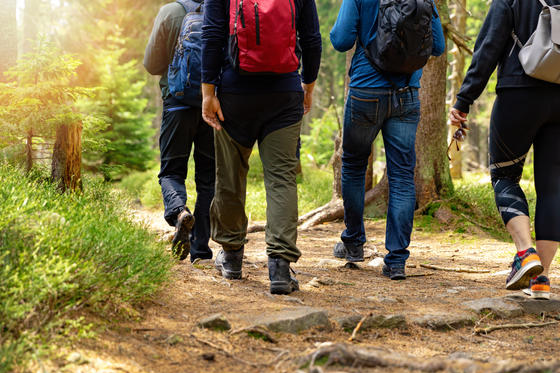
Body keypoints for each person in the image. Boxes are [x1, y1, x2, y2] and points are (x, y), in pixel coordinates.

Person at [201, 0, 322, 294]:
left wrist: (208, 92)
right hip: (283, 93)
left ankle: (231, 257)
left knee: (230, 176)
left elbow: (212, 34)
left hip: (234, 95)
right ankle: (279, 268)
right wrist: (308, 86)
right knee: (281, 179)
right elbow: (312, 37)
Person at [449, 0, 560, 300]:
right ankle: (542, 280)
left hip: (518, 94)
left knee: (504, 176)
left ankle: (526, 253)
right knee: (553, 189)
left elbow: (488, 47)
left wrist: (463, 100)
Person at [330, 0, 445, 279]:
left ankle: (354, 242)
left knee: (354, 166)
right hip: (406, 93)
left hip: (365, 92)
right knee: (403, 176)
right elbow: (438, 46)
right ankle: (396, 260)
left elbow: (341, 40)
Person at [144, 0, 216, 262]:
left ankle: (178, 212)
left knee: (171, 171)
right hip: (214, 106)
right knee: (209, 179)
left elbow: (152, 64)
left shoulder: (170, 12)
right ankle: (201, 251)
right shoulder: (223, 9)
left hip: (177, 104)